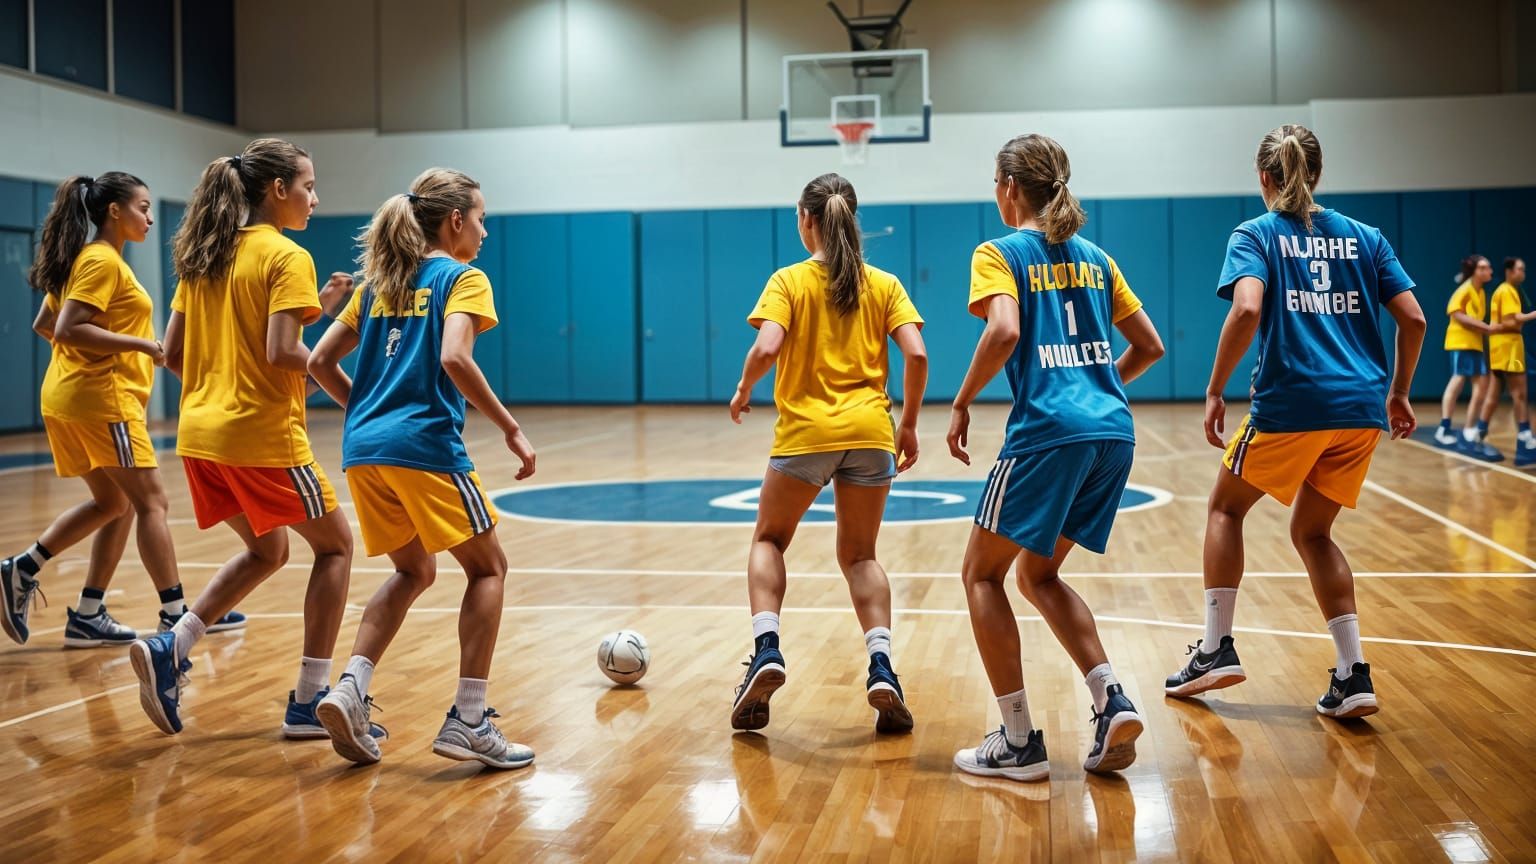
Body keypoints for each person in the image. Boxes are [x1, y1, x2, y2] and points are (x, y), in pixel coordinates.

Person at [1163, 124, 1427, 721]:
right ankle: (1352, 673)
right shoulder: (1367, 238)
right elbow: (1413, 320)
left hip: (1292, 405)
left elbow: (1248, 307)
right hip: (1359, 412)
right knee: (1314, 532)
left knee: (1225, 508)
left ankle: (1214, 648)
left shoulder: (1255, 234)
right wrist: (1400, 392)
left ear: (1264, 177)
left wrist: (1213, 389)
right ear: (1318, 172)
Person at [948, 134, 1165, 782]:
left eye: (994, 181)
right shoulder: (1096, 257)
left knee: (981, 576)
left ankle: (1018, 742)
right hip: (1113, 434)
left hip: (1048, 433)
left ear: (1011, 187)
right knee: (1038, 575)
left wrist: (960, 402)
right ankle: (1110, 697)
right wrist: (1099, 392)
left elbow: (1005, 330)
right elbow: (1149, 345)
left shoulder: (999, 252)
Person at [308, 168, 537, 769]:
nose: (485, 231)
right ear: (455, 220)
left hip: (363, 451)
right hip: (424, 447)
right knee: (489, 570)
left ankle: (350, 689)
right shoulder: (462, 278)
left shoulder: (379, 284)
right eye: (481, 218)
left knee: (414, 571)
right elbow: (454, 356)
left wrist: (368, 410)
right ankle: (468, 720)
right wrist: (510, 427)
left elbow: (319, 362)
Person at [129, 139, 357, 740]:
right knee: (335, 548)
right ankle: (310, 699)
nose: (315, 198)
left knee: (269, 550)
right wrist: (351, 389)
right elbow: (282, 352)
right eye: (308, 186)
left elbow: (171, 352)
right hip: (261, 440)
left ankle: (172, 646)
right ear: (277, 189)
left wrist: (222, 385)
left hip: (201, 436)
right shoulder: (286, 255)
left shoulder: (204, 255)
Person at [727, 173, 928, 735]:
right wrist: (907, 424)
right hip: (870, 433)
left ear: (806, 219)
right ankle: (882, 664)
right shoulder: (884, 283)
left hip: (806, 435)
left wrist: (744, 389)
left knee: (769, 538)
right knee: (861, 556)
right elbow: (916, 354)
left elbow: (767, 345)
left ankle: (767, 648)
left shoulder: (788, 281)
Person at [3, 172, 218, 649]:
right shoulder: (103, 263)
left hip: (69, 396)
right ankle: (174, 617)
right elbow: (66, 328)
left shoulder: (87, 259)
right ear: (114, 211)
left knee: (114, 503)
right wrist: (141, 346)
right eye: (142, 207)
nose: (148, 216)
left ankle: (77, 605)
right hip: (104, 400)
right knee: (152, 503)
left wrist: (87, 356)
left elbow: (45, 323)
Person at [1433, 255, 1502, 460]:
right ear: (1474, 271)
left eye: (1489, 266)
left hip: (1474, 344)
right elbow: (1456, 314)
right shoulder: (1464, 290)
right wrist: (1486, 328)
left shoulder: (1479, 291)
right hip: (1461, 342)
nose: (1489, 270)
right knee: (1458, 380)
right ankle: (1444, 429)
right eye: (1483, 267)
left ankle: (1469, 430)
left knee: (1481, 386)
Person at [1478, 257, 1535, 466]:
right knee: (1520, 395)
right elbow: (1512, 320)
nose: (1523, 273)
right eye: (1520, 269)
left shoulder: (1503, 290)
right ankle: (1525, 441)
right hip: (1509, 347)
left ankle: (1478, 434)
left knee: (1493, 395)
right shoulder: (1508, 290)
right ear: (1510, 271)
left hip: (1498, 347)